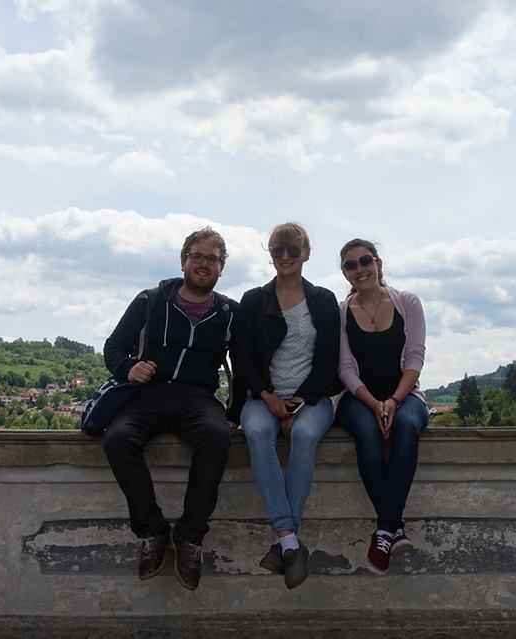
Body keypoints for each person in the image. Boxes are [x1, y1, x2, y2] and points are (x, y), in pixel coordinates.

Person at [102, 227, 239, 591]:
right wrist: (129, 367)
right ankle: (152, 530)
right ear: (183, 261)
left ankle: (190, 536)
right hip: (148, 393)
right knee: (118, 439)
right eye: (198, 256)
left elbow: (245, 365)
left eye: (213, 259)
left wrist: (235, 410)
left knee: (216, 436)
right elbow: (114, 347)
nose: (204, 264)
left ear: (222, 268)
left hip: (198, 398)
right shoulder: (149, 301)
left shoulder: (228, 313)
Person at [233, 222, 340, 589]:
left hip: (311, 396)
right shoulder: (254, 300)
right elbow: (242, 357)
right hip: (263, 396)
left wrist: (298, 402)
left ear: (306, 254)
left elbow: (328, 360)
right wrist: (268, 396)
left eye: (293, 251)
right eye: (278, 250)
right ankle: (289, 539)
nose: (285, 257)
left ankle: (284, 545)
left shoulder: (323, 300)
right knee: (259, 431)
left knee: (306, 435)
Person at [334, 238, 429, 576]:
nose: (359, 269)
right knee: (366, 431)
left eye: (365, 261)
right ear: (344, 273)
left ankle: (385, 530)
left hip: (405, 395)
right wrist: (374, 403)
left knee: (406, 426)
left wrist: (393, 401)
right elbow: (345, 367)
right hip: (358, 398)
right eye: (350, 265)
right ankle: (394, 528)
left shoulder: (408, 302)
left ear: (379, 263)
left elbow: (415, 358)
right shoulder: (343, 311)